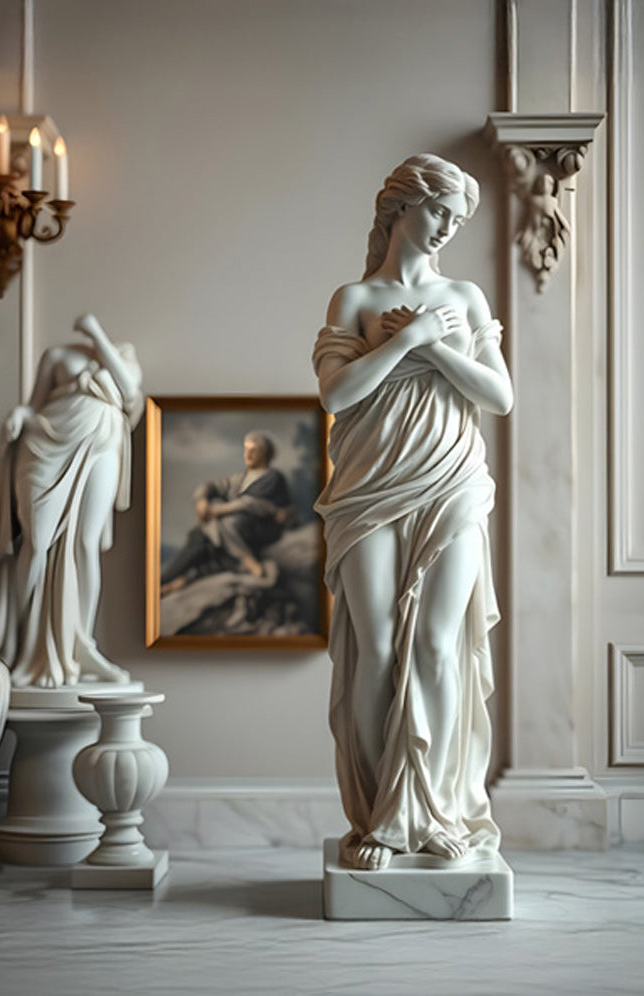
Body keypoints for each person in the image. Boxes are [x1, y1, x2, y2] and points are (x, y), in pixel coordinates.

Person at [313, 153, 513, 871]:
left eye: (458, 222)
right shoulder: (354, 301)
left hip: (452, 480)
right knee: (375, 647)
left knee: (435, 644)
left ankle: (433, 810)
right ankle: (377, 818)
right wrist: (407, 341)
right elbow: (337, 397)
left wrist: (433, 348)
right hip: (368, 489)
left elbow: (498, 396)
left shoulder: (465, 295)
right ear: (401, 206)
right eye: (439, 214)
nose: (447, 231)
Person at [0, 314, 143, 688]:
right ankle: (27, 645)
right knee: (37, 543)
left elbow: (128, 393)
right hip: (46, 441)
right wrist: (18, 415)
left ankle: (80, 646)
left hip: (102, 442)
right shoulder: (56, 355)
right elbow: (34, 404)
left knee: (87, 543)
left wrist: (95, 332)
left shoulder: (123, 354)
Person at [160, 432, 294, 594]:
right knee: (200, 536)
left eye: (254, 450)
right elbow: (212, 486)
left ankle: (246, 560)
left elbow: (251, 504)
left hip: (259, 529)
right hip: (232, 532)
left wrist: (216, 510)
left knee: (223, 524)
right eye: (246, 449)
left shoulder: (272, 477)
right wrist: (202, 499)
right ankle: (170, 579)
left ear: (264, 454)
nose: (248, 454)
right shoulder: (240, 477)